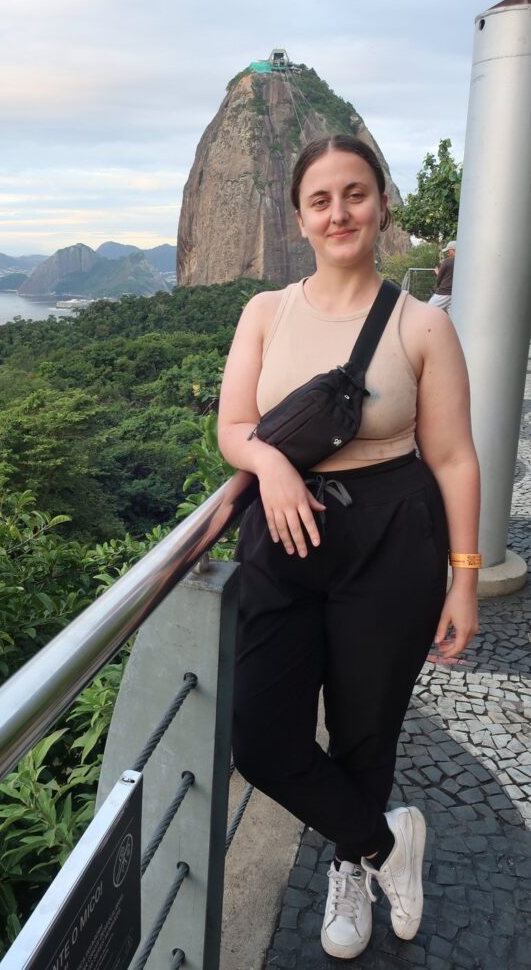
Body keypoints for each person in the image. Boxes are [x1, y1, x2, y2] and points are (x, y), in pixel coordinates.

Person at [217, 136, 480, 960]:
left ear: (380, 204)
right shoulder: (265, 312)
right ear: (298, 216)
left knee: (367, 730)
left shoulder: (421, 326)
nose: (339, 212)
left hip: (390, 538)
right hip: (284, 532)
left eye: (355, 194)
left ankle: (349, 863)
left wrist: (464, 580)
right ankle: (385, 842)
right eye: (321, 199)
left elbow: (452, 457)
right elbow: (231, 427)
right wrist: (269, 465)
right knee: (263, 740)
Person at [429, 240, 456, 312]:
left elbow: (439, 279)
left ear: (454, 250)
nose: (448, 253)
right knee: (453, 319)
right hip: (455, 294)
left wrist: (437, 273)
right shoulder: (463, 261)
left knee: (428, 311)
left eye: (449, 251)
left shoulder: (447, 261)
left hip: (443, 293)